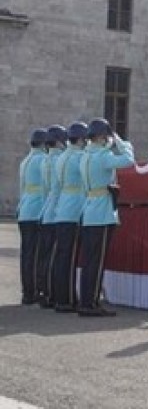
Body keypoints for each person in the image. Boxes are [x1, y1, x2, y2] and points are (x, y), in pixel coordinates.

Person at [77, 118, 136, 317]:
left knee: (89, 261)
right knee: (97, 261)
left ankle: (86, 301)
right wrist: (121, 142)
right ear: (102, 137)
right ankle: (90, 303)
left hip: (89, 210)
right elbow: (129, 160)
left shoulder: (85, 155)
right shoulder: (102, 155)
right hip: (101, 213)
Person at [50, 121, 89, 313]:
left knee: (63, 257)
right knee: (70, 258)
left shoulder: (61, 157)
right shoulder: (80, 157)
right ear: (81, 139)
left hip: (62, 210)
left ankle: (60, 297)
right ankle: (67, 300)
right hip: (75, 210)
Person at [37, 126, 67, 308]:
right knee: (54, 257)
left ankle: (44, 292)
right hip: (56, 210)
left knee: (46, 256)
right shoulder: (58, 159)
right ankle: (49, 293)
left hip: (46, 209)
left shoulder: (46, 160)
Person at [17, 128, 48, 305]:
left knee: (27, 254)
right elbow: (45, 187)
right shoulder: (42, 160)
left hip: (25, 210)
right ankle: (35, 290)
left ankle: (27, 291)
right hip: (37, 209)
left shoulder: (25, 161)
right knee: (37, 254)